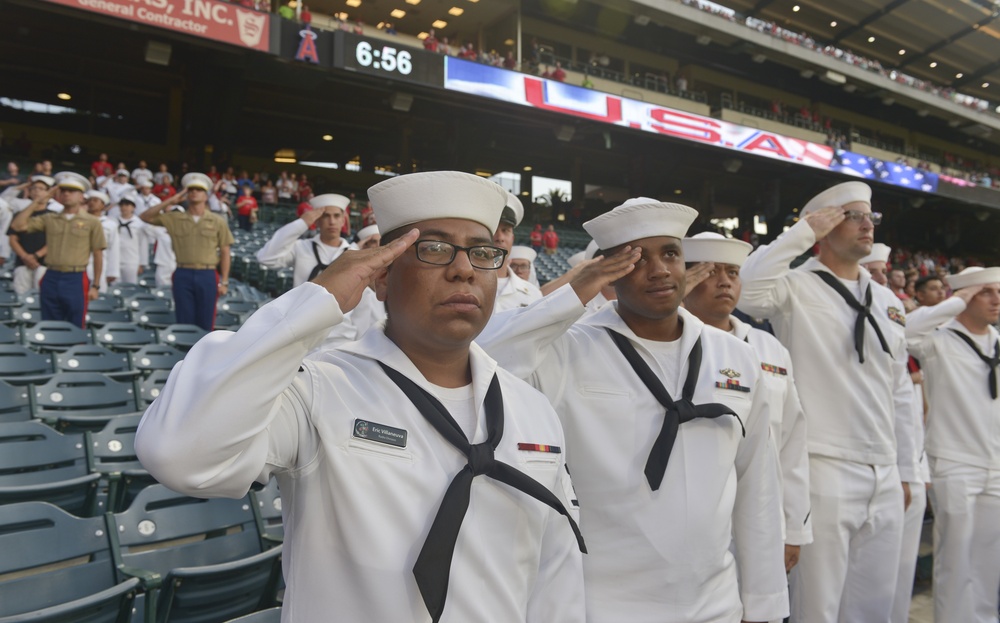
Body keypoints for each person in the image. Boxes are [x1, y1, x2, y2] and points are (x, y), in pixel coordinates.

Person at [135, 170, 586, 622]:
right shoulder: (318, 389)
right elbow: (180, 455)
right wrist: (319, 298)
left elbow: (556, 575)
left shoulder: (531, 409)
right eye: (433, 248)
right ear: (381, 275)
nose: (463, 268)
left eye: (482, 252)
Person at [478, 198, 788, 623]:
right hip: (601, 604)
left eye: (671, 254)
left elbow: (759, 485)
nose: (660, 269)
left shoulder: (736, 356)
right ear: (610, 269)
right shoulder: (569, 349)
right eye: (638, 258)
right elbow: (480, 361)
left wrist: (765, 604)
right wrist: (575, 291)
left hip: (715, 603)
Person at [738, 181, 917, 623]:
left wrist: (908, 467)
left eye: (869, 217)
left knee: (873, 604)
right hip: (822, 463)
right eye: (851, 215)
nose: (865, 225)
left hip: (883, 466)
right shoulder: (795, 286)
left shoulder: (889, 301)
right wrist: (802, 233)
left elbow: (899, 390)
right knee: (817, 606)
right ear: (826, 224)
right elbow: (747, 290)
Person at [682, 232, 812, 586]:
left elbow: (791, 441)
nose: (725, 281)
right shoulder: (670, 341)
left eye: (733, 272)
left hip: (763, 512)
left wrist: (794, 526)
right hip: (694, 516)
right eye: (711, 271)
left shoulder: (768, 346)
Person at [905, 266, 1000, 623]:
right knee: (956, 558)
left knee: (989, 560)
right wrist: (954, 301)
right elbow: (904, 330)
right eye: (985, 292)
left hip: (995, 464)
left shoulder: (997, 340)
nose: (995, 299)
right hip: (956, 461)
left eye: (998, 291)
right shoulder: (939, 338)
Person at [10, 172, 106, 328]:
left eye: (72, 191)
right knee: (49, 323)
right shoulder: (49, 218)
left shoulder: (92, 222)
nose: (66, 194)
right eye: (63, 190)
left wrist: (95, 286)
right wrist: (38, 201)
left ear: (82, 196)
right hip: (51, 275)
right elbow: (17, 226)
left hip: (75, 276)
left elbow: (98, 254)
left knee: (75, 324)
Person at [140, 172, 233, 331]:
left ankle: (204, 356)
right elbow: (145, 216)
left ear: (206, 195)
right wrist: (170, 200)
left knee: (206, 321)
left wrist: (224, 281)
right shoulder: (175, 218)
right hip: (183, 271)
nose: (194, 192)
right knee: (184, 321)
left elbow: (225, 252)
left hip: (207, 273)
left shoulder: (217, 221)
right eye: (190, 190)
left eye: (198, 190)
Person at [256, 193, 351, 287]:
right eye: (325, 216)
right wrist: (302, 223)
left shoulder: (353, 253)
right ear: (317, 221)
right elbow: (266, 258)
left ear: (343, 221)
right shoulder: (301, 247)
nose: (332, 222)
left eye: (337, 216)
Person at [6, 175, 58, 294]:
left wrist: (36, 256)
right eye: (33, 188)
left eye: (41, 188)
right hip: (22, 263)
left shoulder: (54, 215)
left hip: (45, 263)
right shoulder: (20, 214)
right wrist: (25, 256)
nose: (36, 191)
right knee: (20, 296)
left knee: (44, 297)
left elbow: (55, 241)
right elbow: (13, 239)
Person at [492, 193, 542, 311]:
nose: (500, 237)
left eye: (505, 230)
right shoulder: (460, 286)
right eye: (493, 230)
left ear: (512, 239)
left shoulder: (533, 294)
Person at [84, 190, 120, 293]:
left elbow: (114, 248)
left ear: (103, 205)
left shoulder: (110, 224)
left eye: (95, 200)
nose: (91, 203)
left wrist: (112, 272)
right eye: (89, 200)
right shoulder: (80, 220)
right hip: (81, 263)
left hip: (102, 264)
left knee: (99, 293)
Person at [115, 192, 147, 284]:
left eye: (127, 205)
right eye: (122, 205)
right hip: (116, 260)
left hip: (132, 260)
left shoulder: (139, 224)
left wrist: (141, 263)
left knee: (131, 285)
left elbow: (143, 244)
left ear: (133, 207)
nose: (124, 208)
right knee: (114, 286)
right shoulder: (113, 221)